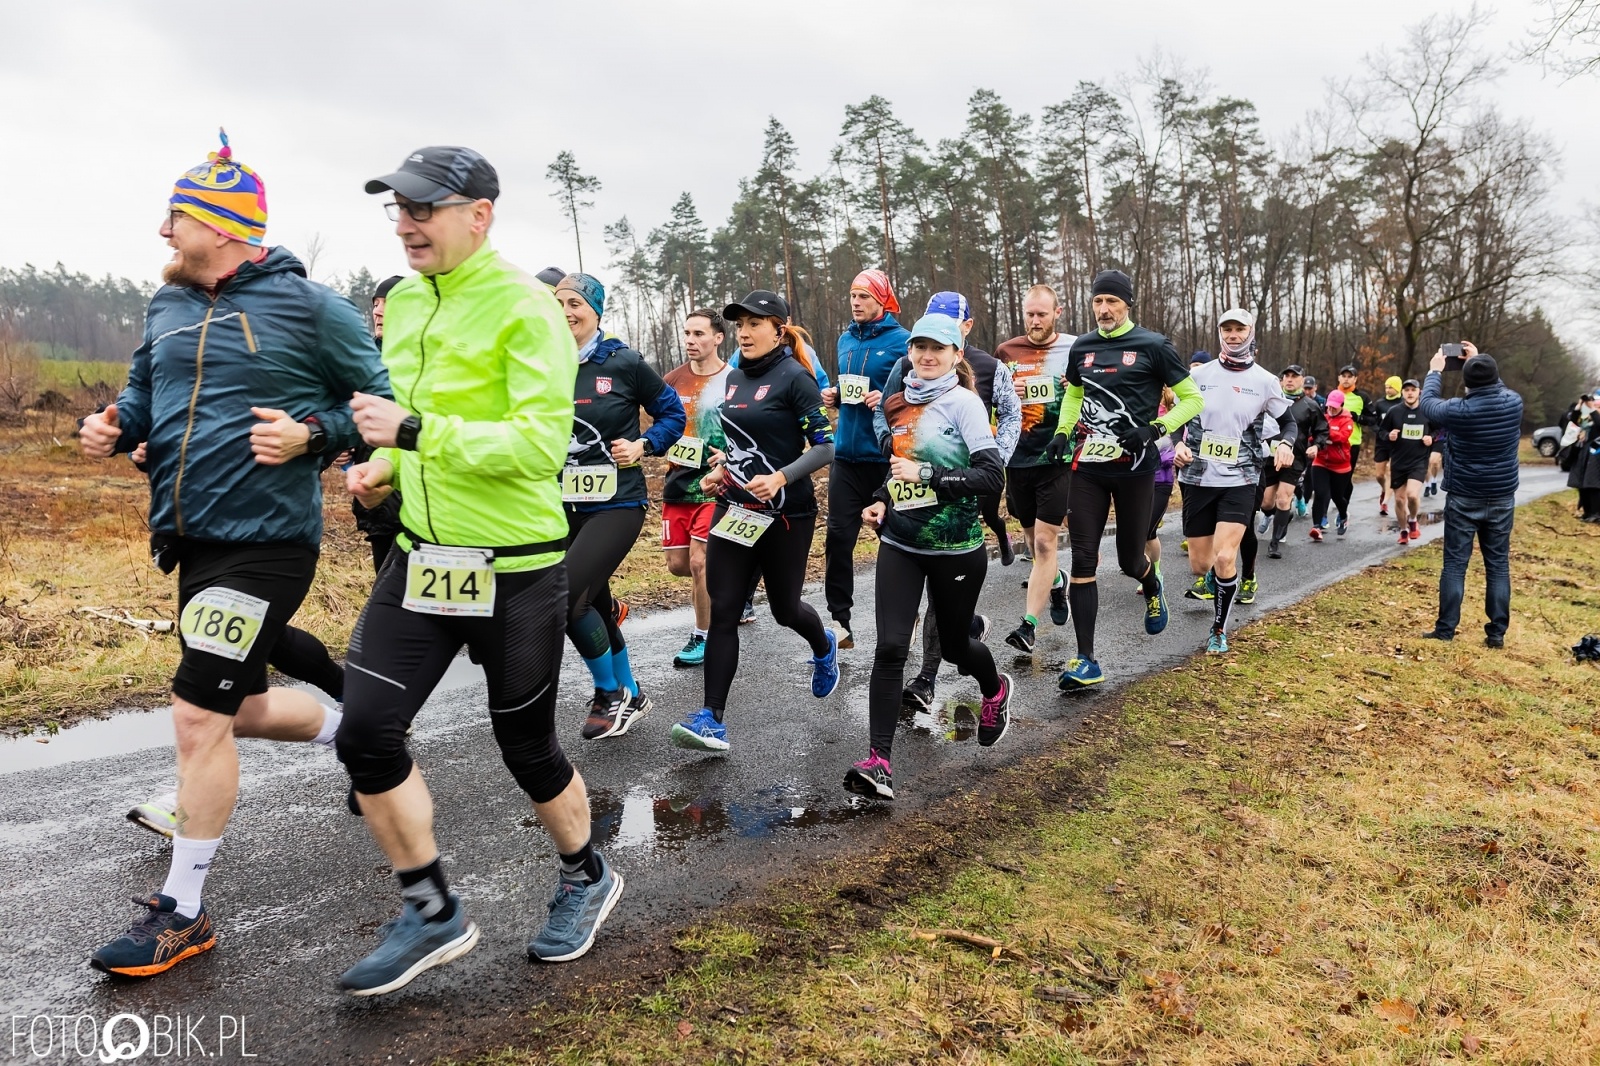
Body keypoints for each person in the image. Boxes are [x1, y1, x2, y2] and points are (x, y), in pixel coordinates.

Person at [80, 132, 390, 978]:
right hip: (192, 540)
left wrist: (312, 434)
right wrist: (114, 426)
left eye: (175, 217)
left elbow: (381, 403)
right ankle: (358, 737)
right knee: (241, 709)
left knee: (196, 717)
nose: (162, 232)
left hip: (268, 543)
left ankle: (183, 912)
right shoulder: (167, 305)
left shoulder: (312, 308)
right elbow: (144, 394)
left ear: (220, 226)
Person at [332, 145, 621, 996]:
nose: (406, 224)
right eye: (398, 209)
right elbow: (413, 419)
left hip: (516, 567)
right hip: (423, 557)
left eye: (423, 208)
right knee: (365, 731)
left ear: (479, 215)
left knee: (525, 745)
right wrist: (384, 465)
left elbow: (537, 447)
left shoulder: (526, 307)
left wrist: (412, 435)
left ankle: (586, 873)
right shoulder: (407, 301)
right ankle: (431, 910)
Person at [849, 313, 1014, 799]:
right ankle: (879, 762)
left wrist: (927, 476)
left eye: (937, 348)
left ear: (955, 355)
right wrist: (881, 498)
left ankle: (995, 689)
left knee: (957, 649)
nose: (926, 356)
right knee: (890, 648)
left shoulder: (964, 404)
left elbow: (991, 476)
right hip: (900, 543)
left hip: (956, 549)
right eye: (919, 347)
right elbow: (899, 469)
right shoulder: (897, 403)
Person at [670, 290, 838, 752]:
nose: (744, 332)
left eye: (754, 323)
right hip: (735, 507)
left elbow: (825, 447)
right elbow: (739, 443)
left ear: (778, 330)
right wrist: (720, 472)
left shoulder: (796, 378)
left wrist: (781, 477)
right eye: (740, 324)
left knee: (785, 610)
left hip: (786, 513)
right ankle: (712, 718)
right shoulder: (733, 379)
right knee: (724, 607)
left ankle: (822, 645)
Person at [1045, 269, 1203, 689]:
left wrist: (1155, 429)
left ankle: (1151, 584)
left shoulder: (1153, 345)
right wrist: (1063, 432)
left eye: (1112, 301)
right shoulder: (1083, 346)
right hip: (1089, 467)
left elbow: (1193, 399)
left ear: (1127, 304)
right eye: (1098, 301)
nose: (1104, 309)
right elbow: (1075, 394)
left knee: (1130, 560)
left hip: (1136, 468)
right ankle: (1087, 660)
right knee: (1082, 558)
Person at [553, 272, 685, 740]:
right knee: (593, 601)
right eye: (558, 303)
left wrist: (643, 444)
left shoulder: (623, 362)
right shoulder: (543, 363)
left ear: (595, 311)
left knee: (566, 597)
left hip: (617, 503)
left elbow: (673, 412)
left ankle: (609, 693)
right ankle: (632, 693)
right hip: (562, 505)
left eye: (575, 303)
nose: (566, 312)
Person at [875, 291, 1021, 710]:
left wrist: (994, 457)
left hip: (967, 487)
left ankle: (940, 666)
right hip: (910, 504)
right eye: (921, 341)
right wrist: (888, 470)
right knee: (919, 616)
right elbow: (888, 418)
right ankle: (927, 676)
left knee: (947, 602)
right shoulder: (905, 370)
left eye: (942, 338)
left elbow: (1010, 415)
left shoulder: (988, 370)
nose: (928, 352)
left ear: (964, 333)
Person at [1172, 309, 1295, 654]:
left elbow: (1288, 422)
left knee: (1226, 557)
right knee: (1201, 564)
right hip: (1198, 477)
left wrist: (1286, 443)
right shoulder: (1198, 375)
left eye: (1239, 329)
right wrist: (1178, 444)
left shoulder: (1265, 380)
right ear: (1219, 333)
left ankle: (1218, 629)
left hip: (1241, 477)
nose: (1233, 335)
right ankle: (1217, 578)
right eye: (1227, 329)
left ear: (1250, 332)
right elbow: (1176, 420)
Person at [820, 270, 909, 649]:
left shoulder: (903, 341)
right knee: (839, 538)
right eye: (853, 295)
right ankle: (840, 621)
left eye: (864, 296)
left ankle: (907, 613)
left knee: (896, 539)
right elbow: (849, 389)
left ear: (882, 300)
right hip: (845, 455)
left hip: (884, 458)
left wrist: (886, 399)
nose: (856, 302)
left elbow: (913, 394)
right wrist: (835, 396)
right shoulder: (844, 340)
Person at [1418, 343, 1523, 647]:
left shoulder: (1457, 411)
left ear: (1467, 382)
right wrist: (1476, 361)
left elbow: (1428, 404)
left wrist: (1435, 371)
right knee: (1498, 565)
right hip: (1501, 496)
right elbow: (1496, 387)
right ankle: (1496, 634)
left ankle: (1445, 630)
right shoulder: (1514, 403)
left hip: (1464, 496)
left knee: (1454, 564)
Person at [997, 284, 1075, 655]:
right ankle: (1057, 582)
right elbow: (992, 401)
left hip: (1057, 458)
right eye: (1030, 314)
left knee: (1045, 542)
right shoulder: (1007, 352)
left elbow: (1097, 391)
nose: (1035, 320)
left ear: (1057, 313)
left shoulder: (1074, 348)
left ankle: (1028, 626)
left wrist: (1078, 385)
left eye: (1042, 314)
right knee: (1032, 542)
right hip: (1018, 459)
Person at [662, 309, 732, 667]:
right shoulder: (672, 380)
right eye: (687, 333)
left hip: (716, 485)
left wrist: (729, 457)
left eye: (699, 334)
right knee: (678, 565)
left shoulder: (734, 379)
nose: (691, 340)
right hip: (678, 483)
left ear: (718, 338)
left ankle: (703, 636)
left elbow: (750, 426)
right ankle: (729, 580)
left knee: (699, 561)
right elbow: (659, 424)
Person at [1256, 365, 1324, 559]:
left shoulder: (1310, 405)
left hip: (1295, 458)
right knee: (1266, 502)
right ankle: (1283, 514)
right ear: (1281, 380)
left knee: (1284, 498)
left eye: (1294, 376)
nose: (1290, 379)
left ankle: (1274, 543)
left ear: (1302, 380)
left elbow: (1322, 430)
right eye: (1286, 376)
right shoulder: (1271, 401)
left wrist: (1316, 446)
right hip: (1270, 457)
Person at [1381, 379, 1435, 544]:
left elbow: (1439, 431)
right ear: (1402, 393)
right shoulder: (1394, 411)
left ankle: (1412, 519)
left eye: (1413, 390)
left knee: (1411, 495)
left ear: (1419, 392)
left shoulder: (1427, 411)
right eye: (1407, 390)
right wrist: (1389, 436)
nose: (1410, 393)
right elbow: (1382, 431)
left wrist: (1431, 438)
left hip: (1418, 461)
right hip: (1399, 461)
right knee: (1399, 499)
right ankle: (1403, 530)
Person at [1309, 390, 1354, 540]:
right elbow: (1312, 434)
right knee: (1319, 493)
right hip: (1321, 461)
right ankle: (1316, 527)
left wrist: (1324, 432)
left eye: (1334, 407)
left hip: (1340, 464)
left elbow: (1342, 437)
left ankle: (1343, 515)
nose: (1331, 409)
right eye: (1329, 406)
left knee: (1337, 496)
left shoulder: (1347, 420)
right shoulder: (1323, 417)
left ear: (1341, 405)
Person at [1371, 376, 1403, 518]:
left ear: (1397, 388)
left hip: (1398, 444)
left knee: (1391, 472)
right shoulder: (1380, 404)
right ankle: (1385, 490)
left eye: (1390, 387)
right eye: (1386, 387)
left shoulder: (1403, 404)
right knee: (1379, 475)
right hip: (1382, 442)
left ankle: (1385, 502)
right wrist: (1382, 433)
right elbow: (1374, 422)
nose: (1387, 390)